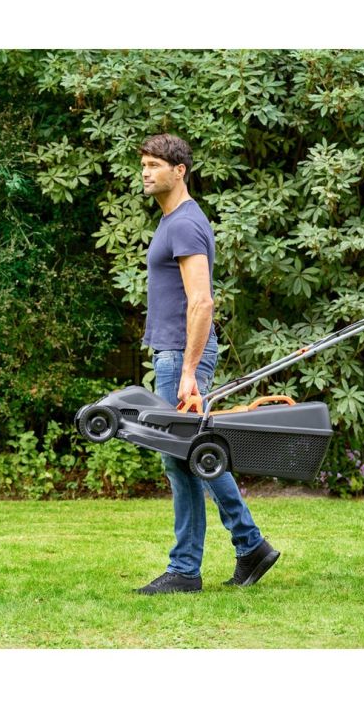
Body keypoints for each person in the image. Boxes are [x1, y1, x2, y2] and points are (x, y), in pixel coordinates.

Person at [135, 133, 280, 595]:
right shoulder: (174, 220)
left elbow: (202, 302)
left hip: (182, 354)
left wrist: (187, 372)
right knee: (190, 454)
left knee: (182, 459)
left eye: (155, 165)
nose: (145, 172)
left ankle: (186, 569)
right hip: (175, 352)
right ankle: (249, 545)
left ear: (179, 171)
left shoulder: (184, 224)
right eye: (144, 165)